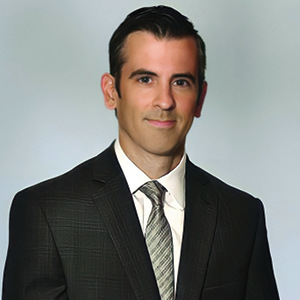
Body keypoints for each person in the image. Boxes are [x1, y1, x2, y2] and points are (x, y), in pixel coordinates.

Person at [2, 5, 279, 300]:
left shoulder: (242, 217)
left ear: (200, 98)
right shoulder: (48, 213)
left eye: (180, 82)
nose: (165, 101)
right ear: (111, 92)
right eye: (146, 79)